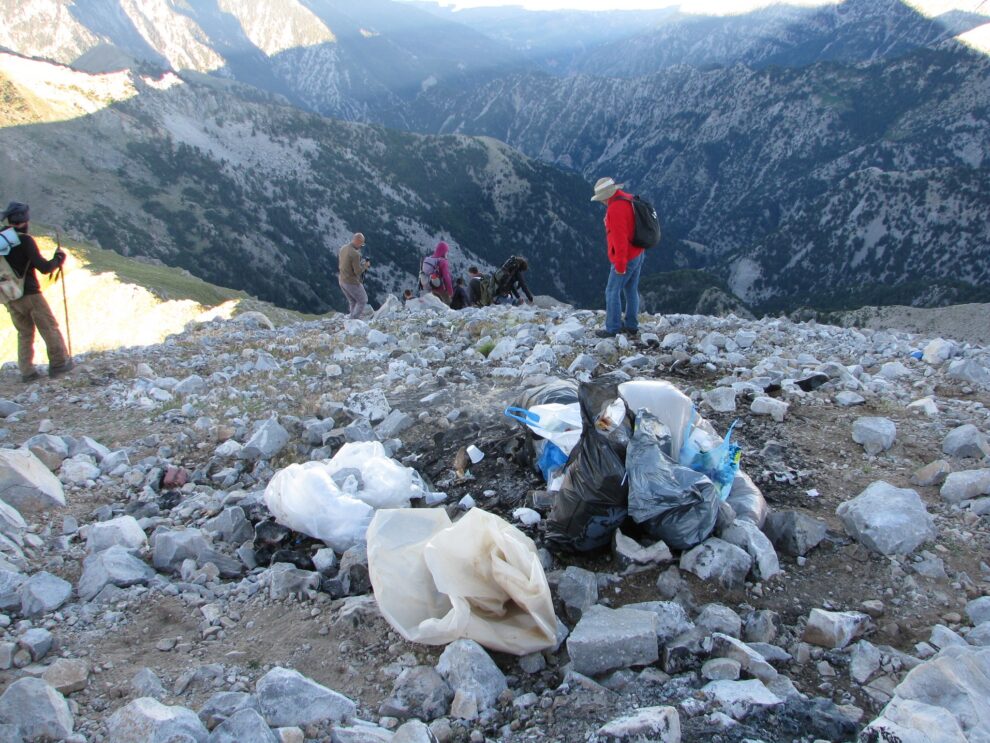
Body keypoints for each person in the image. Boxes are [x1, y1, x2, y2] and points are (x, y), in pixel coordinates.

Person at [0, 202, 72, 381]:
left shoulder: (2, 239)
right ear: (24, 220)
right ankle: (59, 364)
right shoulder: (24, 240)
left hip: (9, 295)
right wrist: (58, 259)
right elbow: (44, 268)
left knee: (24, 332)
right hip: (31, 294)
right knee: (49, 327)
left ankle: (27, 372)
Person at [591, 177, 644, 338]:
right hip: (638, 252)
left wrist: (620, 264)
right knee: (631, 289)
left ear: (606, 196)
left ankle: (612, 328)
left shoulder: (615, 209)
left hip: (625, 257)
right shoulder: (628, 198)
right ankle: (631, 325)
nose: (601, 203)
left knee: (612, 291)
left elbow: (620, 240)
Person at [338, 232, 370, 319]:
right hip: (351, 281)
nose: (361, 246)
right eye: (361, 244)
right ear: (358, 242)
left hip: (341, 280)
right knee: (363, 300)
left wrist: (359, 263)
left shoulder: (343, 248)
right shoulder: (355, 254)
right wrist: (365, 266)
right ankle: (353, 320)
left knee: (352, 301)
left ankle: (351, 319)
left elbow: (347, 263)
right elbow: (358, 272)